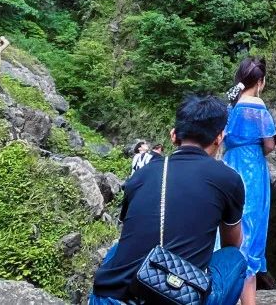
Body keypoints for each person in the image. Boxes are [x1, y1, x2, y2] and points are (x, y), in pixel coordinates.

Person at [90, 94, 247, 305]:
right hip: (178, 297)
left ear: (173, 136)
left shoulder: (141, 175)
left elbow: (131, 228)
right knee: (235, 259)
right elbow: (232, 243)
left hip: (108, 297)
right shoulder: (227, 178)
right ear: (219, 138)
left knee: (118, 248)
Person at [224, 57, 276, 305]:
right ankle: (247, 292)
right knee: (251, 222)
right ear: (260, 82)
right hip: (252, 168)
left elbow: (225, 138)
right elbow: (268, 145)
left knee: (230, 220)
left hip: (230, 164)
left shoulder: (231, 106)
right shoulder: (257, 107)